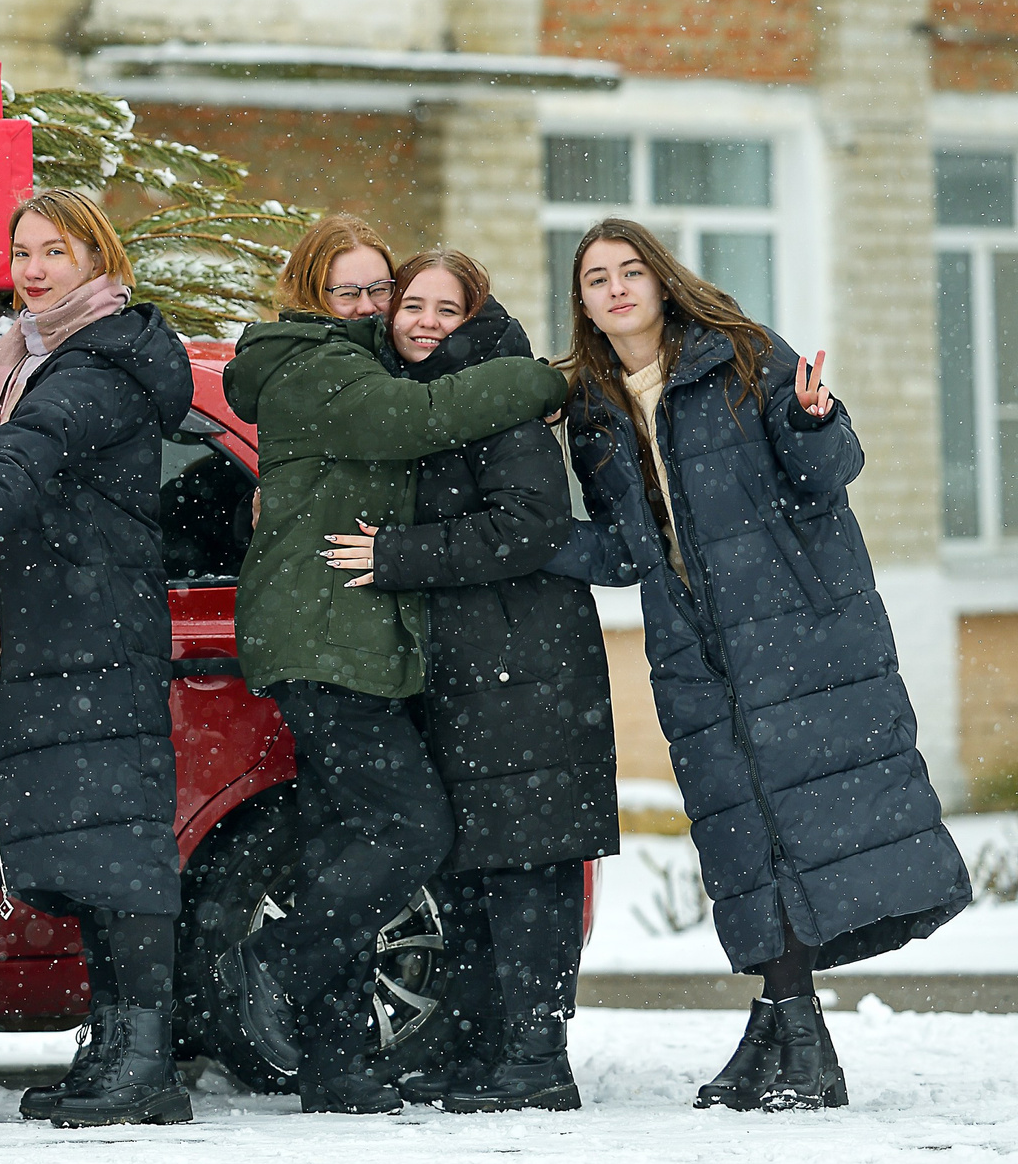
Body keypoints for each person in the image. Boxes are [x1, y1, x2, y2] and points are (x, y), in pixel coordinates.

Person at [550, 218, 970, 1111]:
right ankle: (782, 1028)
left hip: (797, 631)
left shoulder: (741, 354)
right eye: (597, 279)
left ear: (662, 281)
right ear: (582, 302)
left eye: (632, 271)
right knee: (744, 837)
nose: (617, 288)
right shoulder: (592, 407)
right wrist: (527, 545)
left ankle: (802, 1046)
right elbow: (629, 546)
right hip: (695, 649)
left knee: (797, 824)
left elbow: (827, 472)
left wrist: (818, 417)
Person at [213, 214, 568, 1114]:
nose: (373, 306)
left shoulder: (345, 359)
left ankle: (335, 1063)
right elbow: (427, 418)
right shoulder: (321, 368)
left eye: (383, 289)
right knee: (414, 830)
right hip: (328, 641)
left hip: (350, 637)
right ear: (312, 295)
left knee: (341, 839)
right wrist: (544, 376)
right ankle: (277, 958)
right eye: (355, 292)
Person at [0, 190, 196, 1128]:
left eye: (55, 251)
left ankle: (147, 1059)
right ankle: (114, 1044)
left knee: (119, 848)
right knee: (89, 847)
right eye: (22, 251)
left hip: (99, 628)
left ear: (95, 258)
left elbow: (39, 444)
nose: (34, 269)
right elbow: (25, 435)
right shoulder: (31, 360)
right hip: (60, 629)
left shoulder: (100, 360)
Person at [318, 250, 616, 1113]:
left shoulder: (492, 400)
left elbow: (530, 523)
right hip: (471, 666)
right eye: (412, 304)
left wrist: (397, 556)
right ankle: (491, 1047)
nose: (424, 322)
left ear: (475, 318)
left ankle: (538, 1056)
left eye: (446, 309)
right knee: (480, 866)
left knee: (530, 866)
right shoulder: (419, 402)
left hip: (529, 667)